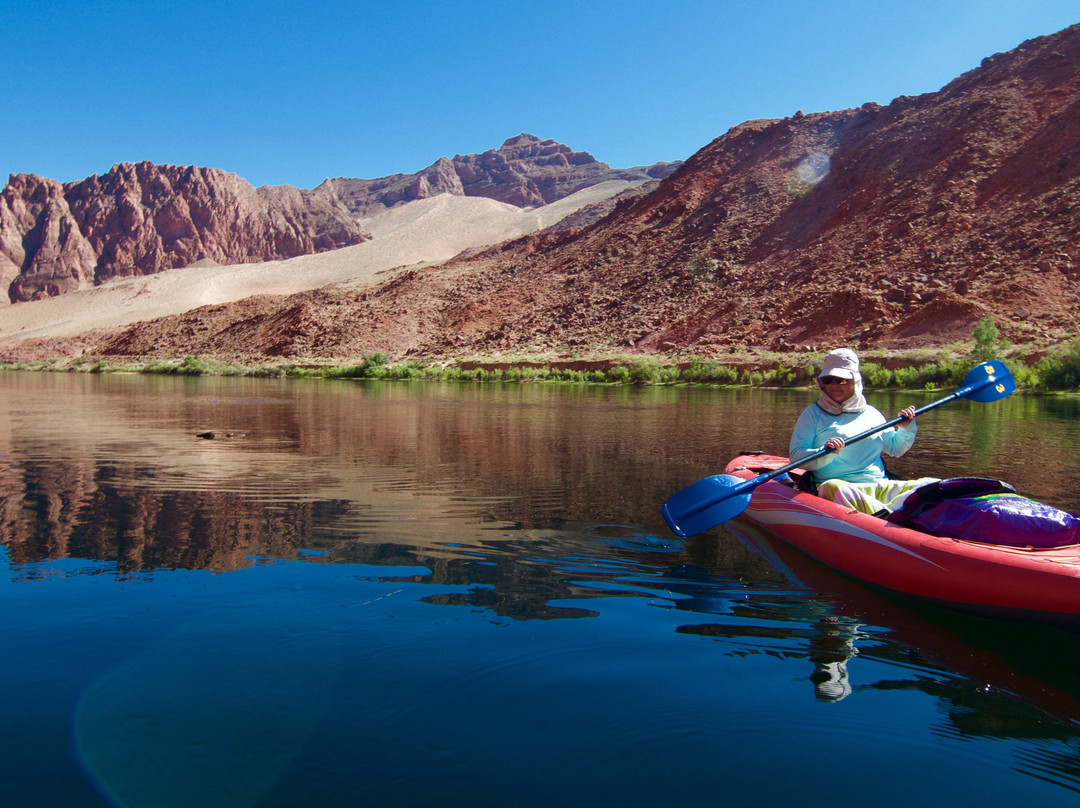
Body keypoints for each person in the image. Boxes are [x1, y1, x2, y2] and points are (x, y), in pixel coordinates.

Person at [789, 348, 938, 516]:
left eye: (841, 380)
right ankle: (895, 515)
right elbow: (796, 457)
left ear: (855, 381)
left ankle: (891, 513)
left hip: (878, 486)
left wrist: (906, 428)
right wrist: (825, 452)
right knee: (833, 487)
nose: (834, 385)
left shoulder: (872, 414)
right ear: (821, 383)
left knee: (932, 484)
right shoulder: (812, 414)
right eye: (828, 380)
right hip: (841, 489)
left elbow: (895, 449)